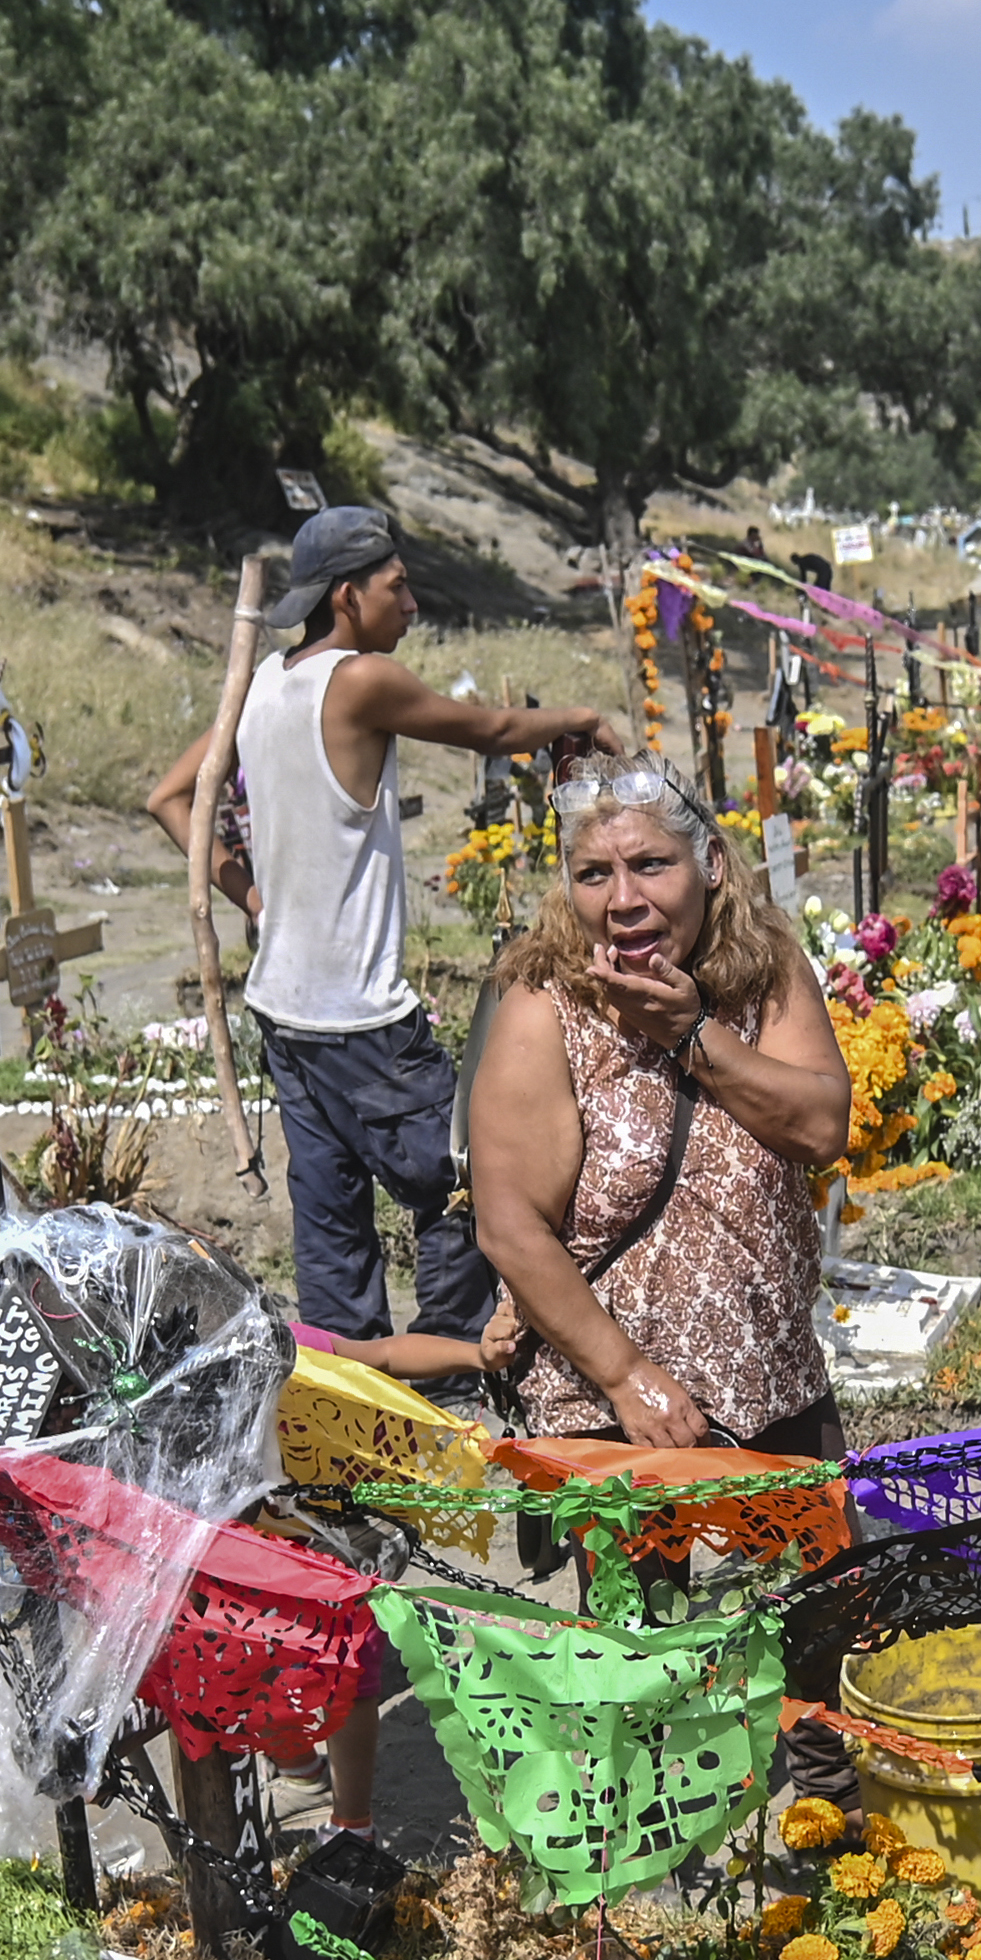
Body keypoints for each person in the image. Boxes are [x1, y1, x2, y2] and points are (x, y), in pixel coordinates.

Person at [147, 505, 621, 1354]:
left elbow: (170, 798)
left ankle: (351, 1391)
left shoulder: (263, 688)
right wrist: (582, 719)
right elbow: (496, 730)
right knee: (468, 1182)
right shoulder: (359, 681)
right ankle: (450, 1361)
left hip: (284, 1015)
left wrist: (250, 897)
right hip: (360, 1020)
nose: (412, 604)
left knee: (331, 1227)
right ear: (346, 597)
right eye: (396, 587)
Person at [464, 763, 852, 1462]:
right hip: (603, 1399)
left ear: (708, 864)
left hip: (771, 1374)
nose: (623, 899)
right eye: (593, 875)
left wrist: (691, 1035)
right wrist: (627, 1377)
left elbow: (822, 1128)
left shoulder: (765, 971)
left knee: (834, 1569)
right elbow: (511, 1228)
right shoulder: (543, 1006)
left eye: (650, 865)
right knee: (637, 1578)